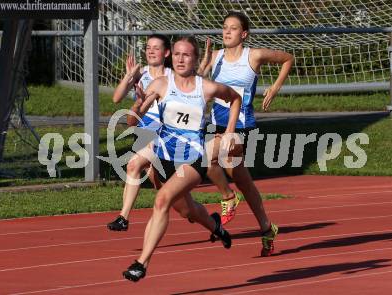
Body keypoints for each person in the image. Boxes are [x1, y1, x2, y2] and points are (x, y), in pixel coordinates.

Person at [122, 36, 242, 282]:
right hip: (164, 158)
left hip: (194, 158)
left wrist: (230, 132)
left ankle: (141, 263)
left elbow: (235, 99)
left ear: (196, 59)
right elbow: (132, 122)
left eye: (186, 54)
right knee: (189, 211)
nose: (180, 58)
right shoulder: (160, 84)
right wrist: (137, 102)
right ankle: (216, 227)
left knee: (161, 200)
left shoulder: (206, 87)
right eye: (176, 53)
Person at [198, 11, 294, 256]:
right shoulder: (216, 56)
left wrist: (274, 87)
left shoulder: (255, 55)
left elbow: (288, 58)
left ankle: (228, 197)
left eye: (232, 28)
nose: (226, 32)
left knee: (209, 157)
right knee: (244, 181)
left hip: (242, 128)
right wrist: (203, 65)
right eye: (224, 27)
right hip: (219, 125)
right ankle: (266, 228)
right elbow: (196, 84)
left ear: (244, 34)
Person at [107, 34, 172, 231]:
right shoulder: (139, 73)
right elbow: (116, 99)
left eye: (156, 47)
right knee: (163, 190)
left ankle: (123, 218)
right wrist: (129, 76)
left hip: (163, 134)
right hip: (142, 134)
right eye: (148, 48)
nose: (151, 51)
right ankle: (206, 220)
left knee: (132, 166)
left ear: (166, 52)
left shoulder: (172, 76)